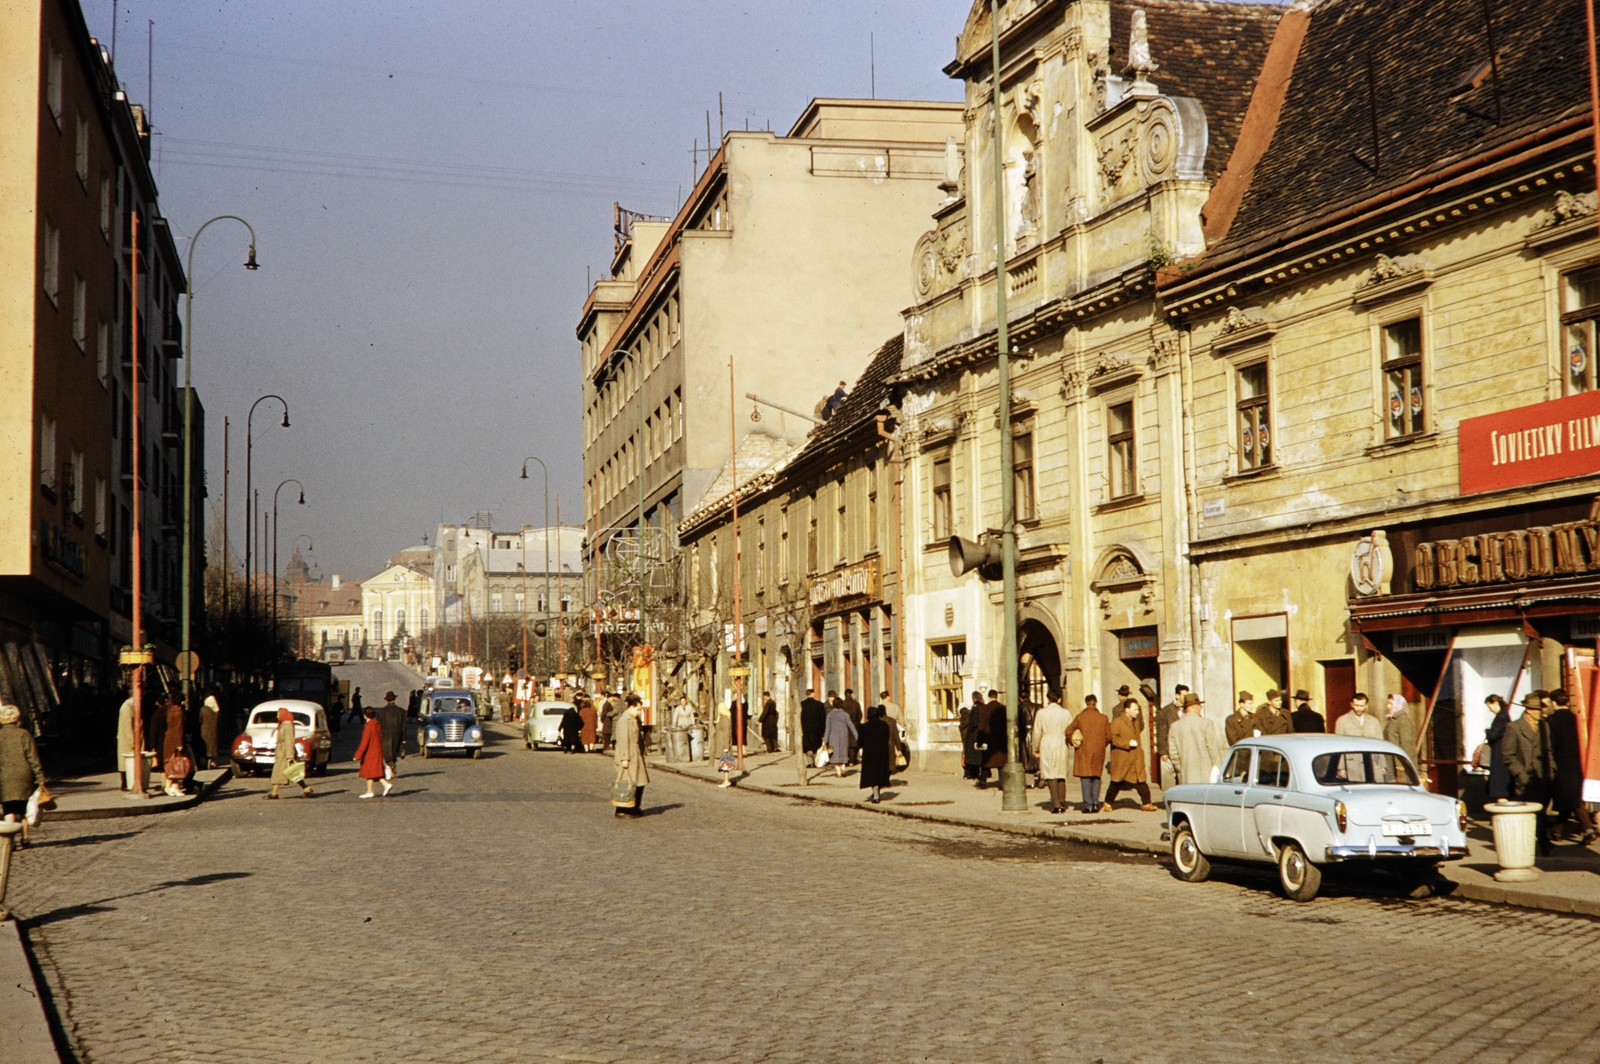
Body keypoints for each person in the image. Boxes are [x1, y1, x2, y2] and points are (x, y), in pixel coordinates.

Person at [1502, 692, 1554, 853]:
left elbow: (1549, 751)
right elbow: (1507, 754)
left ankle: (1541, 842)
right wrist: (1520, 773)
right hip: (1525, 779)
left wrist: (1552, 770)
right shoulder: (1514, 727)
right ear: (1529, 710)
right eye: (1538, 709)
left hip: (1543, 777)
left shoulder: (1544, 726)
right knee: (1529, 814)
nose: (1541, 712)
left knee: (1541, 813)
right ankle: (1539, 844)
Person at [1544, 692, 1596, 845]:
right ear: (1567, 702)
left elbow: (1549, 746)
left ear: (1553, 703)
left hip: (1560, 763)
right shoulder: (1577, 719)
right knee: (1568, 797)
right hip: (1579, 762)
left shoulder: (1550, 721)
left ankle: (1588, 829)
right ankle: (1557, 831)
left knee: (1570, 797)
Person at [0, 705, 43, 845]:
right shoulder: (24, 734)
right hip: (24, 775)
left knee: (9, 807)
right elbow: (32, 757)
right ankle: (25, 837)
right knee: (23, 807)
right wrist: (40, 776)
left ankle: (9, 841)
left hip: (4, 776)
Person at [1105, 698, 1156, 811]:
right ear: (1126, 710)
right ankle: (1108, 802)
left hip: (1136, 756)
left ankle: (1146, 803)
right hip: (1123, 757)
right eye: (1134, 709)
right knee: (1117, 782)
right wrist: (1127, 743)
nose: (1137, 712)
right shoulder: (1117, 722)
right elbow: (1113, 739)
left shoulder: (1135, 722)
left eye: (1137, 709)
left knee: (1140, 780)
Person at [1168, 692, 1228, 785]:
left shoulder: (1175, 726)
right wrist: (1219, 767)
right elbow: (1213, 749)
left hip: (1185, 773)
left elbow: (1173, 753)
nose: (1200, 709)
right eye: (1199, 706)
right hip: (1206, 772)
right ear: (1193, 707)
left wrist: (1180, 767)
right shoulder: (1207, 723)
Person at [1067, 696, 1111, 813]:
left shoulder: (1080, 717)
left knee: (1085, 777)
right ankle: (1096, 803)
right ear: (1096, 703)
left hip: (1083, 750)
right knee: (1096, 776)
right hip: (1099, 751)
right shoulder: (1103, 718)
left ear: (1086, 703)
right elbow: (1108, 736)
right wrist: (1102, 745)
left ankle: (1088, 805)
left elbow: (1068, 731)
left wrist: (1074, 741)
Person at [1030, 696, 1073, 813]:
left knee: (1050, 773)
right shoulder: (1066, 713)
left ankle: (1056, 803)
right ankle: (1062, 800)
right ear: (1059, 699)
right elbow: (1071, 730)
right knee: (1061, 772)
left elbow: (1037, 731)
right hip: (1061, 741)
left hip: (1047, 742)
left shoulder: (1041, 713)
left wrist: (1035, 747)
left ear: (1048, 699)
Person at [612, 694, 649, 818]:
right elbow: (623, 740)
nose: (639, 712)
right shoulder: (624, 721)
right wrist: (624, 758)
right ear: (631, 707)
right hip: (628, 755)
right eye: (638, 709)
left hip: (636, 754)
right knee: (627, 782)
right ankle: (622, 808)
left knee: (640, 782)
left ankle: (634, 806)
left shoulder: (635, 720)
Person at [266, 707, 313, 800]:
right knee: (290, 773)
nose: (277, 716)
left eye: (279, 714)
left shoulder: (287, 724)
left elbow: (289, 740)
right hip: (282, 752)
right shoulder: (283, 724)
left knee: (287, 773)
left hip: (285, 753)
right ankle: (306, 789)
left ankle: (274, 793)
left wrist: (290, 755)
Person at [352, 706, 390, 798]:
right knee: (373, 771)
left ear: (365, 716)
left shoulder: (368, 726)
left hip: (370, 751)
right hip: (377, 750)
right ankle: (374, 789)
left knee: (370, 770)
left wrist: (358, 755)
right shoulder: (376, 724)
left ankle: (373, 789)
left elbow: (364, 742)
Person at [1155, 684, 1188, 789]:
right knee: (1179, 775)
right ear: (1177, 696)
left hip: (1188, 747)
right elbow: (1161, 732)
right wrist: (1163, 752)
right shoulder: (1165, 712)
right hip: (1175, 748)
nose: (1186, 698)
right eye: (1184, 695)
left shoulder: (1189, 709)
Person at [858, 704, 892, 803]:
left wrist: (858, 750)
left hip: (870, 754)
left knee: (872, 775)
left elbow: (860, 741)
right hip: (882, 753)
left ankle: (876, 795)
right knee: (880, 773)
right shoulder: (884, 725)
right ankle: (877, 792)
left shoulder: (865, 727)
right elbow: (887, 738)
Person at [1483, 694, 1513, 802]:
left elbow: (1493, 735)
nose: (1490, 710)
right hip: (1500, 753)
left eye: (1490, 707)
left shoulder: (1502, 717)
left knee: (1500, 788)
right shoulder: (1503, 715)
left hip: (1500, 755)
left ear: (1495, 703)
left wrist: (1487, 732)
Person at [977, 689, 1009, 788]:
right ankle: (1002, 783)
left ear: (989, 697)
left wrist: (979, 740)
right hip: (1001, 739)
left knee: (986, 761)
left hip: (988, 738)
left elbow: (981, 725)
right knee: (1001, 763)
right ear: (997, 697)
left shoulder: (984, 709)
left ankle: (983, 782)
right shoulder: (1003, 708)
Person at [161, 695, 189, 797]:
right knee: (175, 764)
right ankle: (169, 786)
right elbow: (179, 729)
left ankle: (175, 786)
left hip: (168, 739)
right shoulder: (178, 713)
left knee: (172, 763)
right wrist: (179, 743)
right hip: (175, 741)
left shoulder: (170, 711)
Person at [821, 700, 857, 778]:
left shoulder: (830, 715)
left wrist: (825, 740)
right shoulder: (845, 715)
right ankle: (843, 768)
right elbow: (851, 725)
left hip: (833, 736)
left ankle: (838, 772)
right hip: (844, 736)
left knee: (835, 754)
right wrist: (856, 735)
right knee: (843, 752)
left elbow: (827, 729)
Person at [377, 691, 406, 787]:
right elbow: (403, 726)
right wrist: (404, 738)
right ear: (394, 699)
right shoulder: (401, 711)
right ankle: (392, 765)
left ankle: (391, 766)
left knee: (387, 750)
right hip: (397, 733)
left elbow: (379, 725)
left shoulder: (381, 712)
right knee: (394, 750)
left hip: (385, 733)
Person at [117, 687, 139, 791]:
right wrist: (132, 741)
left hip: (130, 739)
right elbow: (126, 726)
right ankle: (125, 783)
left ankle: (129, 782)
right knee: (126, 763)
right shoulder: (126, 707)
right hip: (127, 740)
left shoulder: (131, 706)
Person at [959, 692, 983, 780]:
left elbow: (970, 723)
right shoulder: (973, 709)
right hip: (972, 736)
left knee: (969, 754)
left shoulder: (974, 709)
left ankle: (970, 773)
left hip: (971, 736)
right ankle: (973, 773)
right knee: (973, 754)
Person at [200, 687, 222, 769]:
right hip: (213, 732)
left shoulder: (203, 709)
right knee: (212, 747)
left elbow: (200, 719)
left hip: (204, 731)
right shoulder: (216, 712)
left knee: (205, 747)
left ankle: (207, 761)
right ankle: (211, 760)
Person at [800, 689, 826, 754]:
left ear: (806, 695)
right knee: (816, 746)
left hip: (806, 729)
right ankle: (815, 760)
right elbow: (823, 718)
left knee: (808, 746)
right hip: (817, 729)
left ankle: (809, 761)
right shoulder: (819, 704)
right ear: (812, 694)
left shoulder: (802, 704)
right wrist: (823, 730)